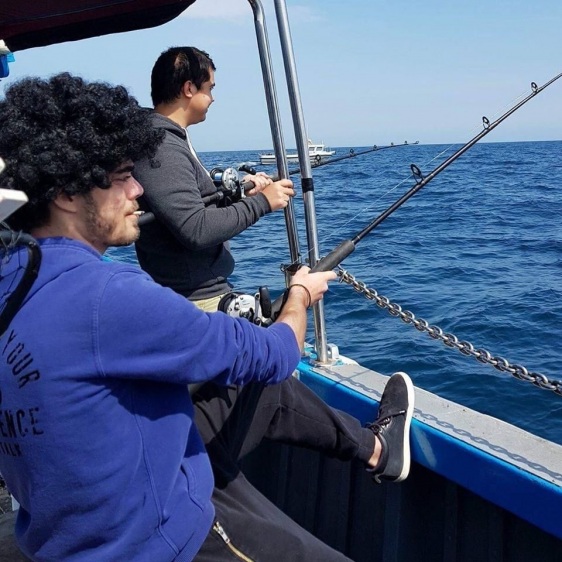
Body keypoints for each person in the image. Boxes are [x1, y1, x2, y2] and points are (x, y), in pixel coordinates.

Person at [0, 73, 415, 562]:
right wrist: (299, 297)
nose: (139, 190)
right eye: (122, 175)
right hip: (157, 541)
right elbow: (278, 354)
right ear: (66, 194)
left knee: (245, 384)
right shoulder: (107, 296)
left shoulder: (11, 278)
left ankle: (377, 450)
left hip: (63, 533)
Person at [133, 46, 295, 312]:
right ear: (189, 88)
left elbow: (187, 207)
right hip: (194, 300)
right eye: (209, 88)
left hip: (199, 292)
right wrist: (263, 203)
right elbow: (195, 228)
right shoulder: (162, 147)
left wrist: (241, 193)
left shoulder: (171, 138)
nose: (212, 98)